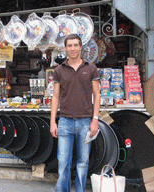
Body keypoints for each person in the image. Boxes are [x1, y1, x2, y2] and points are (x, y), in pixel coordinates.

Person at [50, 34, 100, 192]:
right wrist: (53, 122)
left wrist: (95, 120)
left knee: (83, 163)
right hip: (65, 122)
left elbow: (97, 94)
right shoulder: (59, 70)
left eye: (75, 45)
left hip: (86, 122)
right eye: (69, 45)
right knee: (63, 163)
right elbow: (55, 96)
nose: (72, 48)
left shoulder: (91, 68)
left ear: (80, 47)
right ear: (65, 48)